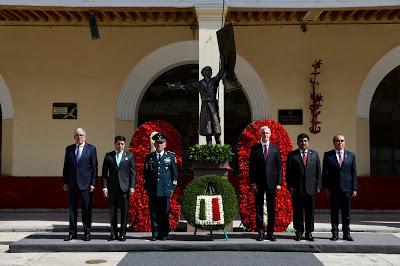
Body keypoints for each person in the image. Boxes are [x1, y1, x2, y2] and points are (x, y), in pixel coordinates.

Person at [168, 62, 225, 145]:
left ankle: (218, 142)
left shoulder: (214, 81)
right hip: (205, 105)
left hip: (213, 105)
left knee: (215, 122)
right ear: (204, 73)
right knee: (206, 123)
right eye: (208, 71)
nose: (210, 72)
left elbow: (220, 74)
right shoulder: (200, 83)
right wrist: (174, 87)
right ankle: (208, 142)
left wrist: (224, 64)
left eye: (210, 71)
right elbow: (187, 87)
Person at [63, 128, 98, 241]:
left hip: (86, 185)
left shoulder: (91, 149)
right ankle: (72, 233)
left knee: (86, 209)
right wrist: (65, 182)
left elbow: (94, 168)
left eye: (81, 135)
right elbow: (66, 167)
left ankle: (87, 232)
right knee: (72, 209)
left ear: (85, 136)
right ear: (74, 137)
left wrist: (93, 183)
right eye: (77, 135)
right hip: (72, 184)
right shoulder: (69, 149)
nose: (79, 137)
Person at [249, 126, 282, 241]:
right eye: (263, 133)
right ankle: (261, 232)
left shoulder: (275, 149)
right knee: (259, 208)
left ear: (270, 134)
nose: (265, 135)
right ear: (260, 134)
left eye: (267, 133)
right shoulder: (255, 149)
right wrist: (252, 182)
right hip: (258, 183)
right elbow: (252, 168)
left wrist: (279, 182)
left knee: (271, 208)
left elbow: (279, 167)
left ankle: (270, 233)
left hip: (272, 184)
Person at [322, 134, 358, 241]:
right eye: (338, 141)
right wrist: (326, 188)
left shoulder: (351, 156)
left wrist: (354, 188)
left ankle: (346, 233)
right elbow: (325, 173)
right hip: (333, 189)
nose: (340, 143)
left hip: (347, 189)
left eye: (342, 140)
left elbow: (353, 173)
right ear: (334, 143)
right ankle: (335, 233)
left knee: (346, 213)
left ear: (345, 142)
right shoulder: (328, 155)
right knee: (334, 212)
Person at [286, 133, 321, 241]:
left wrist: (318, 185)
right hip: (297, 188)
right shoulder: (292, 155)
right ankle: (299, 231)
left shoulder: (314, 155)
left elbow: (318, 172)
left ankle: (309, 232)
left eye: (305, 140)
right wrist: (290, 186)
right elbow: (288, 172)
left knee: (310, 212)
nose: (303, 142)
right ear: (297, 142)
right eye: (301, 141)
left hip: (311, 188)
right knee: (298, 211)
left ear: (308, 142)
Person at [144, 132, 178, 241]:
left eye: (161, 143)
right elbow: (146, 174)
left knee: (164, 213)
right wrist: (147, 187)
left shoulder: (171, 157)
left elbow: (174, 175)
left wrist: (172, 188)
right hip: (153, 190)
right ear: (154, 144)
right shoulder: (149, 157)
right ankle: (155, 234)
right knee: (153, 213)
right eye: (157, 143)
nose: (159, 145)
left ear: (165, 144)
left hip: (165, 190)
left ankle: (163, 234)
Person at [102, 135, 136, 241]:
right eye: (118, 144)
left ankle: (122, 234)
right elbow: (104, 174)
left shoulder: (129, 156)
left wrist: (132, 187)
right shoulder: (109, 156)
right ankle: (113, 234)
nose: (120, 146)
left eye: (122, 144)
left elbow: (133, 173)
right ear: (115, 144)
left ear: (124, 144)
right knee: (113, 212)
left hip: (125, 188)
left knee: (124, 212)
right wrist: (104, 187)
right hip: (112, 188)